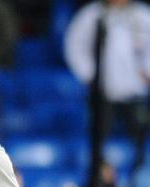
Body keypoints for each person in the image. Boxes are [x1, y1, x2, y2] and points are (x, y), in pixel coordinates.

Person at [64, 0, 150, 171]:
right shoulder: (92, 14)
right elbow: (74, 46)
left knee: (141, 141)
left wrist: (147, 71)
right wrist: (90, 75)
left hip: (136, 93)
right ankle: (98, 177)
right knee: (97, 140)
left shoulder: (143, 14)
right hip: (103, 93)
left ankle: (138, 176)